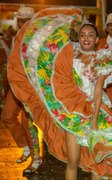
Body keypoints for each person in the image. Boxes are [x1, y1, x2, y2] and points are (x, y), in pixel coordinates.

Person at [7, 7, 112, 179]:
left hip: (96, 112)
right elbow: (49, 62)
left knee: (98, 163)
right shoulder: (68, 57)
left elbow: (97, 91)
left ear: (97, 39)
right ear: (78, 38)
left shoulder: (102, 58)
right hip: (72, 113)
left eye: (90, 35)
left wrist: (94, 121)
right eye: (82, 35)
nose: (86, 38)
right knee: (73, 161)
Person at [1, 5, 41, 174]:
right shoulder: (16, 36)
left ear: (32, 22)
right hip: (15, 85)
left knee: (28, 123)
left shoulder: (37, 39)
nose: (22, 23)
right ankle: (24, 145)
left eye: (26, 20)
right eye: (20, 20)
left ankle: (36, 158)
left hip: (29, 87)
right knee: (7, 116)